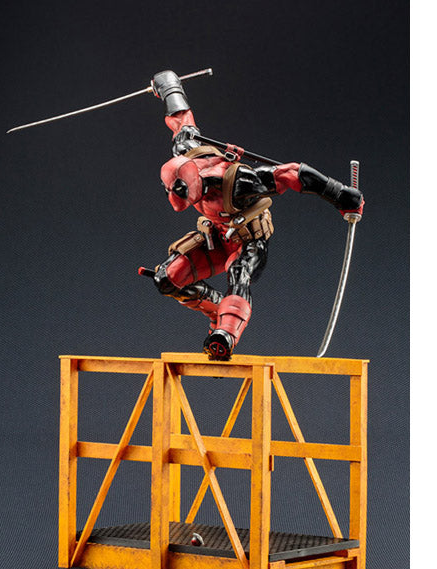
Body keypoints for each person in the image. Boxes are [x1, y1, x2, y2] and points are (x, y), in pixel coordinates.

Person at [143, 70, 364, 361]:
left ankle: (226, 334)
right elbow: (181, 118)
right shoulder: (187, 149)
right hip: (216, 237)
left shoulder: (238, 182)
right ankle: (218, 308)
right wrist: (169, 84)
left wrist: (341, 195)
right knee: (167, 278)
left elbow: (290, 174)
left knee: (239, 275)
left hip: (248, 241)